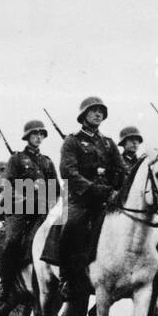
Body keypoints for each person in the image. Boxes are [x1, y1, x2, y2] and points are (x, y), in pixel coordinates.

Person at [55, 96, 124, 303]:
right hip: (80, 200)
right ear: (83, 115)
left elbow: (120, 169)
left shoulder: (109, 143)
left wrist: (119, 187)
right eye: (93, 110)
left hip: (106, 201)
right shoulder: (72, 141)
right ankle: (65, 278)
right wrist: (95, 189)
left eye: (101, 111)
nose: (98, 114)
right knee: (70, 225)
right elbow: (68, 171)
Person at [0, 119, 59, 304]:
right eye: (35, 134)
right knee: (13, 240)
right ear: (27, 136)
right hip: (20, 210)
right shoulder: (16, 159)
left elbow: (55, 188)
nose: (38, 137)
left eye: (41, 134)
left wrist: (49, 203)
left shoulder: (46, 161)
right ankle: (5, 283)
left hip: (42, 210)